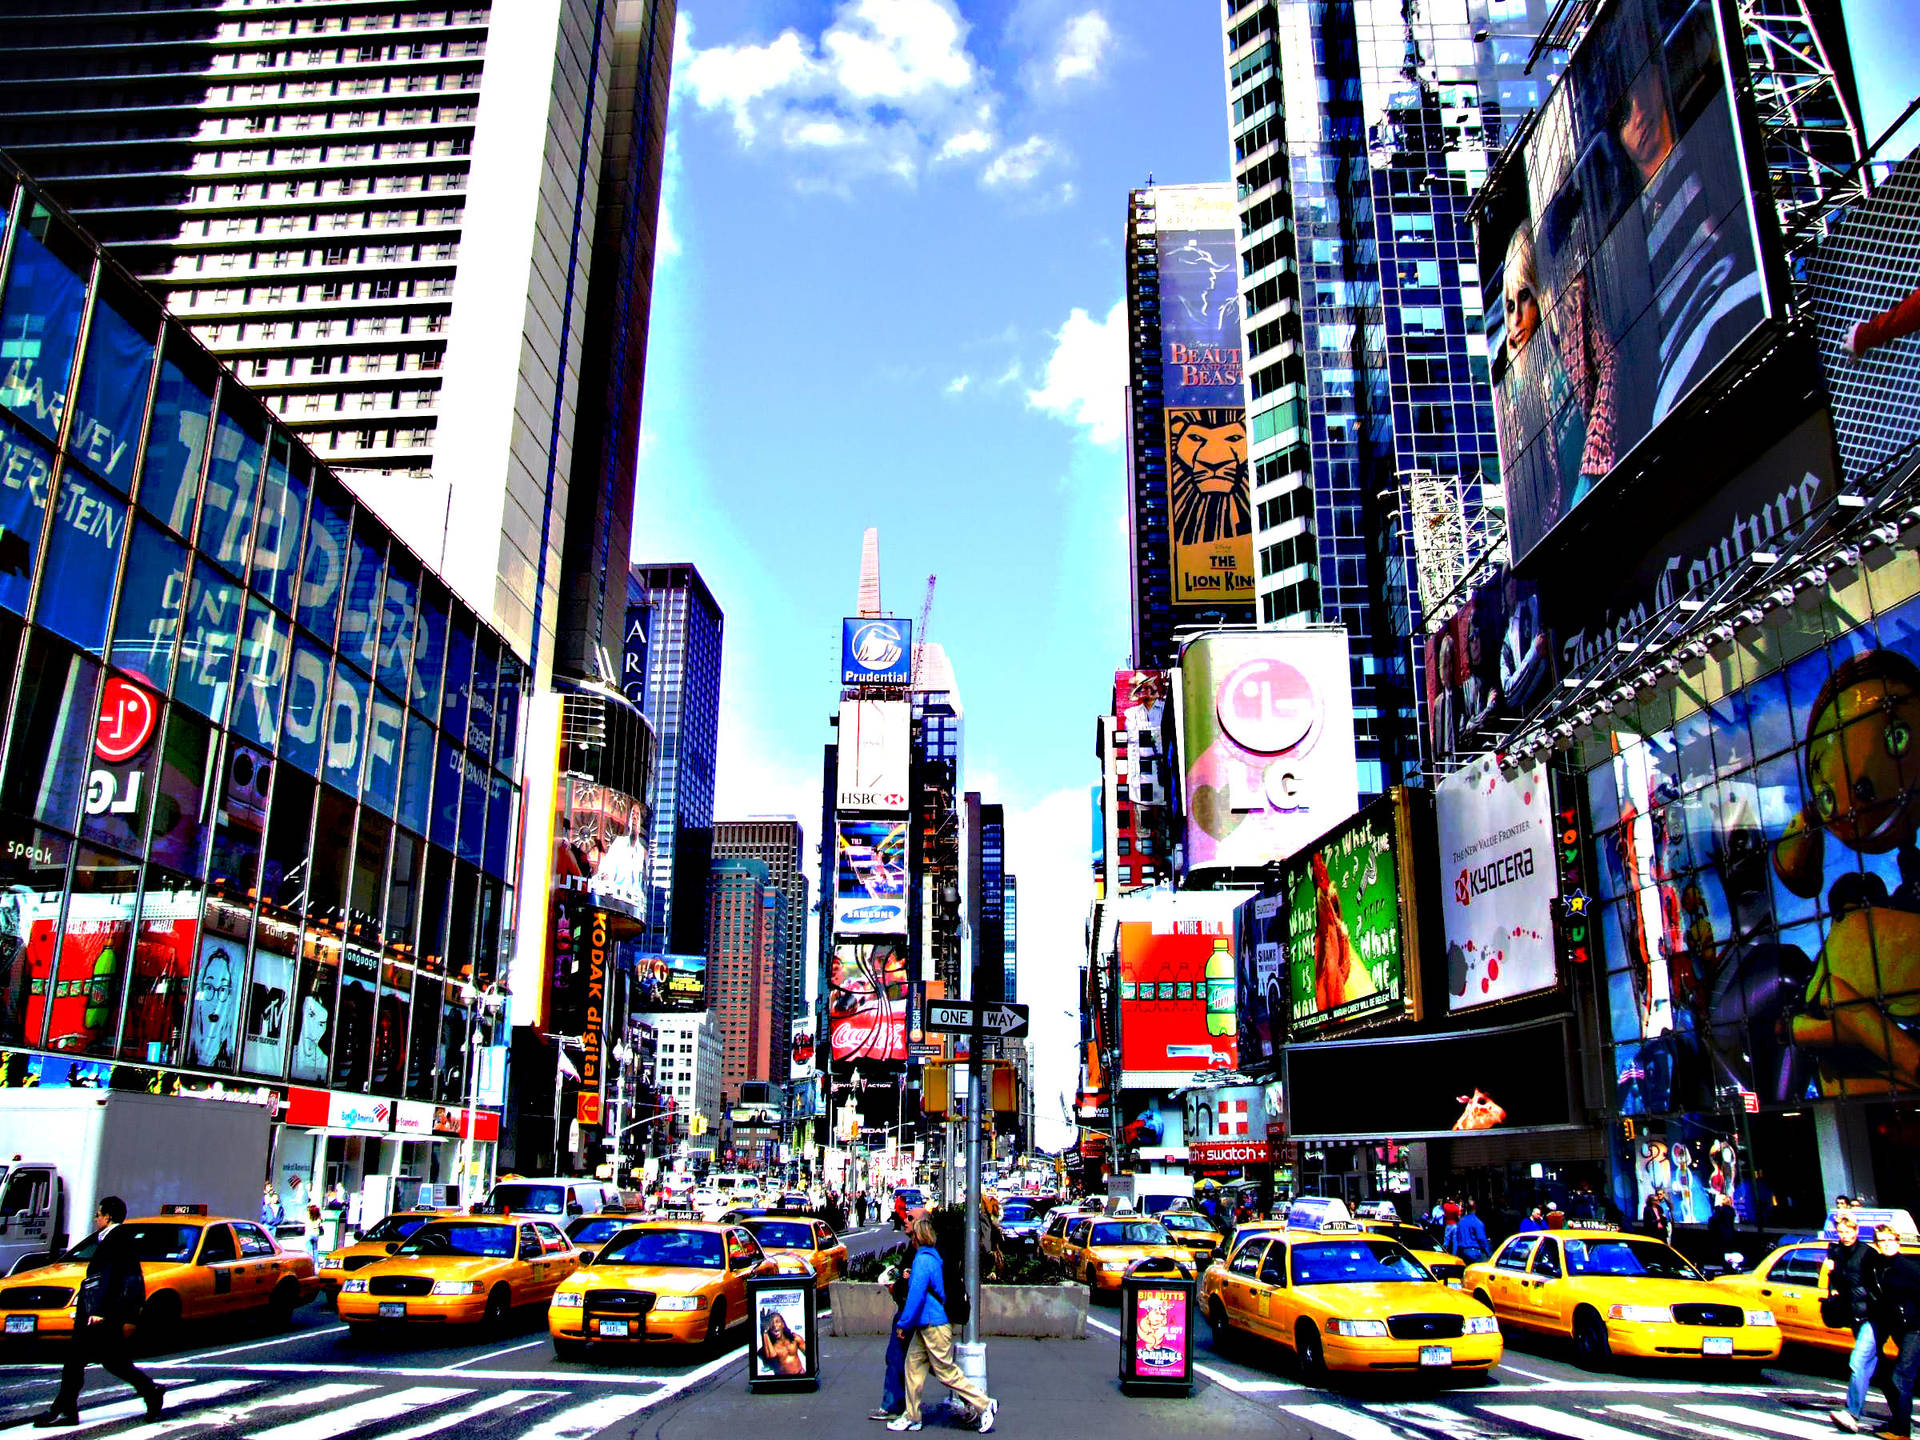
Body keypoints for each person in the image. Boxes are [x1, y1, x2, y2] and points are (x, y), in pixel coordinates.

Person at [32, 1198, 164, 1427]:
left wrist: (100, 1310)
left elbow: (113, 1277)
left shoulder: (118, 1239)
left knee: (75, 1360)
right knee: (113, 1361)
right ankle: (150, 1391)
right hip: (98, 1310)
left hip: (101, 1312)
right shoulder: (111, 1238)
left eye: (98, 1215)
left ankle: (64, 1411)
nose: (96, 1219)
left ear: (108, 1216)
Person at [890, 1216, 997, 1433]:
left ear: (918, 1237)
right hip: (927, 1324)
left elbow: (916, 1297)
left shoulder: (922, 1261)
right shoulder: (932, 1257)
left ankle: (985, 1404)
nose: (910, 1236)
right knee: (913, 1366)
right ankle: (912, 1416)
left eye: (912, 1234)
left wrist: (903, 1324)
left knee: (945, 1372)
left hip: (932, 1324)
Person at [1830, 1211, 1880, 1432]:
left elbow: (1878, 1284)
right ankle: (1901, 1416)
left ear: (1856, 1231)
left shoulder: (1867, 1253)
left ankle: (1851, 1414)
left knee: (1857, 1362)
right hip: (1855, 1316)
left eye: (1849, 1231)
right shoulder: (1837, 1252)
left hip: (1873, 1316)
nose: (1845, 1235)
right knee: (1879, 1371)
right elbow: (1837, 1282)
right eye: (1841, 1231)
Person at [1870, 1223, 1920, 1439]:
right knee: (1894, 1376)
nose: (1887, 1245)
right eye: (1882, 1241)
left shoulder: (1907, 1267)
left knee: (1901, 1377)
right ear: (1877, 1244)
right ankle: (1899, 1422)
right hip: (1900, 1327)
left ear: (1897, 1242)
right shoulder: (1880, 1266)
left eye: (1891, 1240)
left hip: (1915, 1327)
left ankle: (1901, 1432)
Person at [758, 1310, 806, 1377]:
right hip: (783, 1380)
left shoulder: (795, 1338)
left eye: (777, 1322)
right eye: (771, 1323)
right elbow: (771, 1356)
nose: (774, 1325)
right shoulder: (770, 1347)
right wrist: (764, 1331)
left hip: (801, 1374)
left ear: (783, 1324)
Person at [1453, 1199, 1491, 1264]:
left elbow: (1456, 1239)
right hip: (1474, 1253)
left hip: (1461, 1252)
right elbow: (1481, 1239)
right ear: (1475, 1208)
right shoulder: (1477, 1223)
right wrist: (1489, 1253)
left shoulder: (1461, 1222)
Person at [1707, 1190, 1738, 1261]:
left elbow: (1712, 1221)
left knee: (1723, 1254)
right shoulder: (1730, 1211)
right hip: (1728, 1235)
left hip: (1721, 1235)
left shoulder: (1721, 1210)